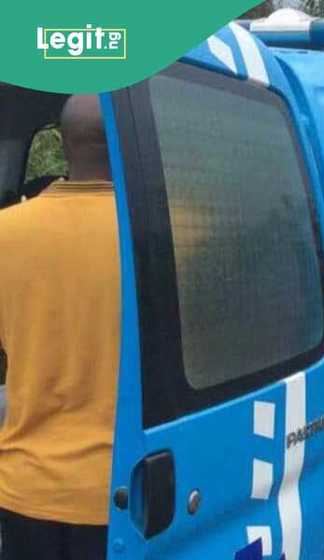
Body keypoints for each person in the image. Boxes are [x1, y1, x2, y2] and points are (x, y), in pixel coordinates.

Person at [0, 95, 120, 560]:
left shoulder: (7, 234)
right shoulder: (166, 232)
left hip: (26, 488)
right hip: (124, 487)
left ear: (62, 142)